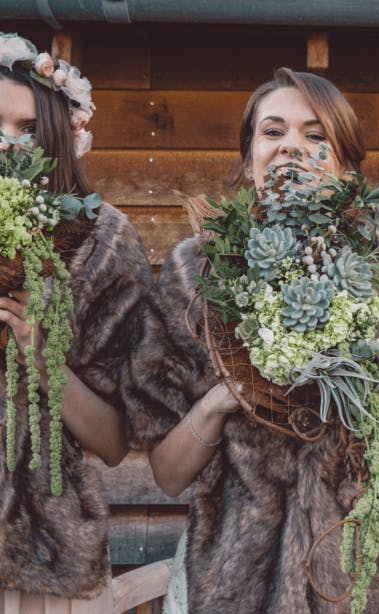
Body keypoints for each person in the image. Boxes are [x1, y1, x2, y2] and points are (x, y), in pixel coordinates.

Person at [121, 67, 379, 613]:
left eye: (316, 136)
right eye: (273, 131)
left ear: (346, 167)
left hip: (363, 587)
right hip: (232, 586)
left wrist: (353, 376)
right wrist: (225, 394)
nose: (292, 146)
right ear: (248, 159)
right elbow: (169, 474)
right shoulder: (195, 274)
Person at [0, 33, 152, 612]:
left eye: (29, 129)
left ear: (63, 137)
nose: (10, 145)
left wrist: (41, 356)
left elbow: (114, 441)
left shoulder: (103, 242)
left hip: (46, 561)